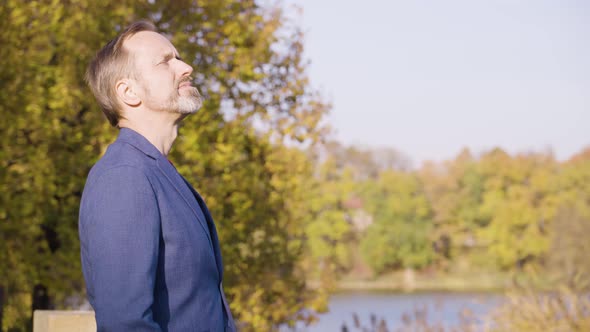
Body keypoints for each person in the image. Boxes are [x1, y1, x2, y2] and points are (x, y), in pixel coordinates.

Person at [79, 21, 236, 331]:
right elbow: (125, 323)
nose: (186, 67)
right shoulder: (124, 178)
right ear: (128, 92)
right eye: (166, 61)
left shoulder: (157, 172)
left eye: (178, 57)